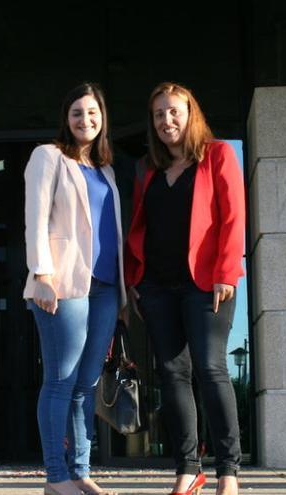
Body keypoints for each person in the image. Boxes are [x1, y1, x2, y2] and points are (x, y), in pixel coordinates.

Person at [125, 82, 245, 495]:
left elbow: (233, 217)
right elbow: (137, 229)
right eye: (159, 114)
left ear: (190, 114)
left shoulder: (217, 155)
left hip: (207, 283)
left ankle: (228, 472)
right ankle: (188, 468)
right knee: (173, 375)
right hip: (156, 286)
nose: (166, 120)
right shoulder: (148, 170)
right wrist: (133, 281)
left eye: (174, 111)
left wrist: (226, 271)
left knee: (211, 370)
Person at [24, 82, 126, 495]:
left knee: (86, 385)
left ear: (103, 119)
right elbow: (35, 217)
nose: (86, 120)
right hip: (62, 284)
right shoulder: (48, 157)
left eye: (93, 113)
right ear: (66, 119)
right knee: (60, 380)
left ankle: (80, 471)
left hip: (104, 288)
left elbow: (109, 233)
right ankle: (55, 477)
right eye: (77, 113)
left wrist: (121, 293)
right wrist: (41, 274)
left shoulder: (106, 171)